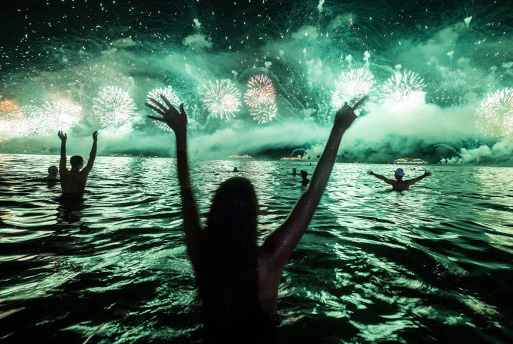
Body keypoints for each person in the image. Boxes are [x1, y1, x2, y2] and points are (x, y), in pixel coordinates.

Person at [146, 95, 364, 337]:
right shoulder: (271, 256)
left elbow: (185, 189)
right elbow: (313, 192)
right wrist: (338, 130)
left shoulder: (201, 252)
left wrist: (181, 135)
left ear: (215, 212)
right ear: (253, 215)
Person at [57, 130, 98, 195]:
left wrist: (63, 141)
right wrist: (95, 141)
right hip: (78, 201)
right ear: (81, 164)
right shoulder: (83, 174)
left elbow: (63, 156)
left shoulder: (63, 172)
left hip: (64, 201)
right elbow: (92, 157)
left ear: (71, 163)